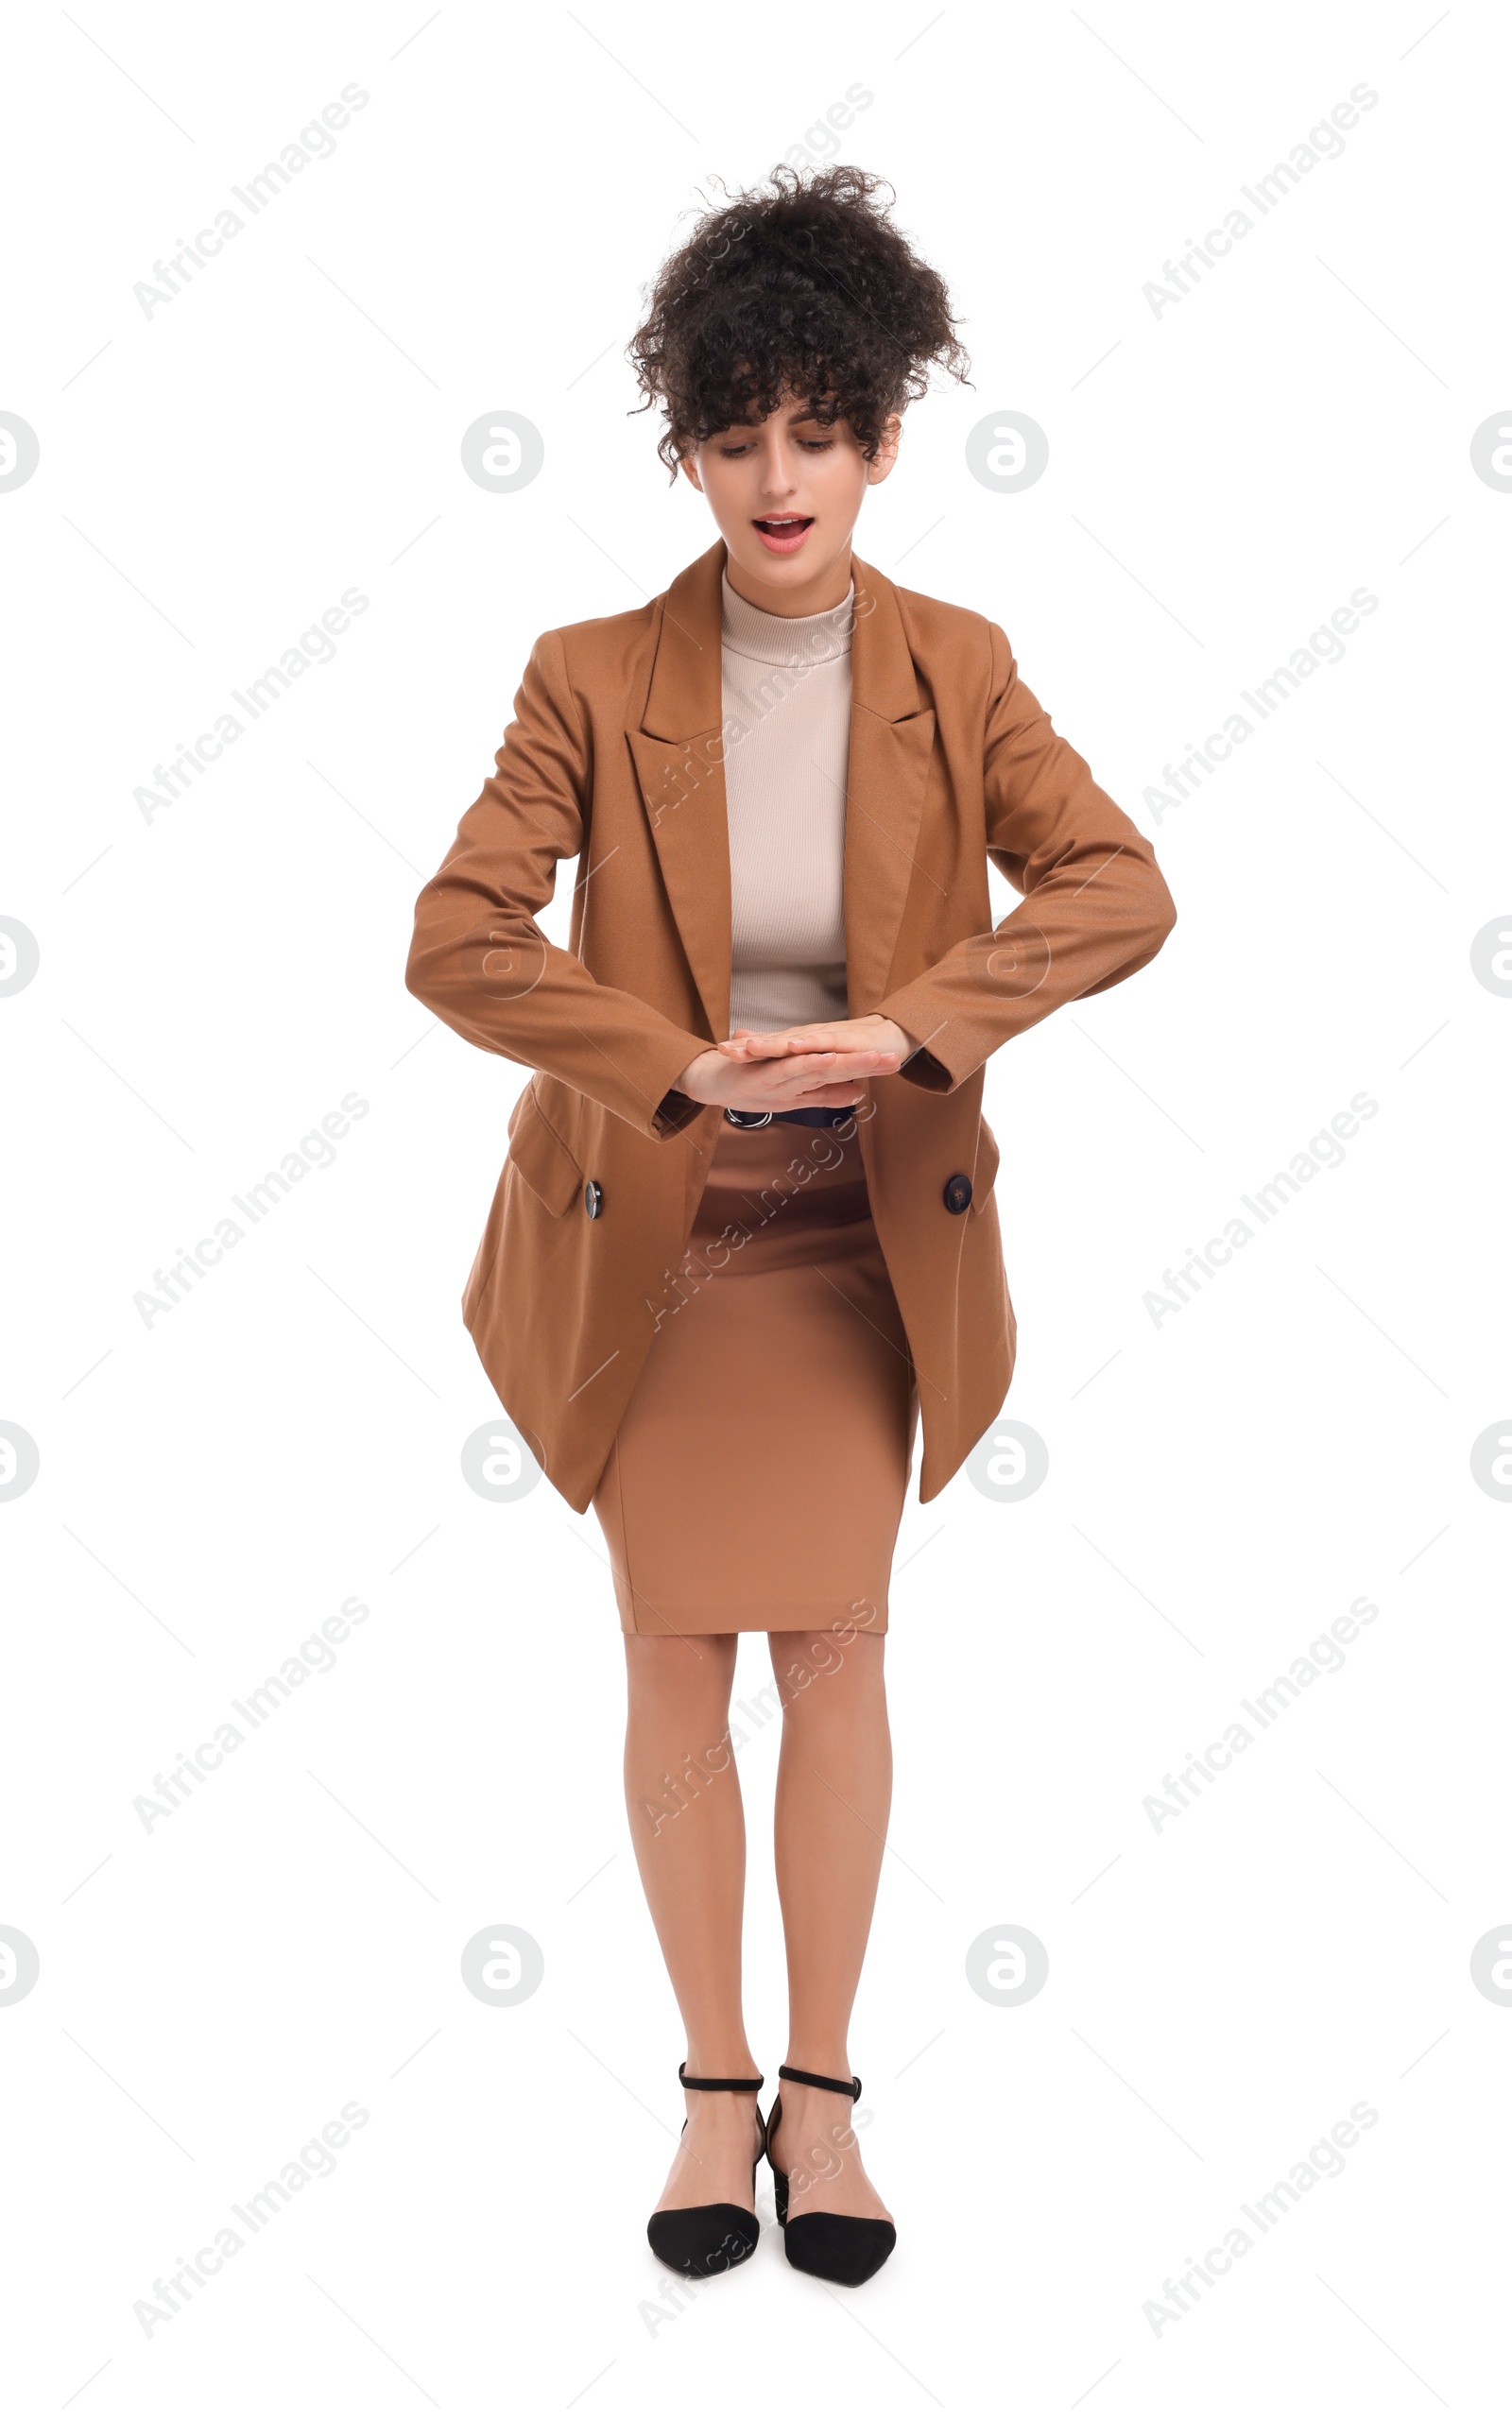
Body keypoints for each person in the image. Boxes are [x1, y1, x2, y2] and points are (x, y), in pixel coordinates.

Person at [404, 163, 1177, 2287]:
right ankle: (704, 2088)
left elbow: (1117, 887)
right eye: (730, 434)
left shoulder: (954, 665)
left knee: (832, 1652)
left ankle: (822, 2100)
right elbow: (453, 943)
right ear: (681, 443)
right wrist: (674, 1059)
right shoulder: (585, 672)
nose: (772, 478)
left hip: (857, 1232)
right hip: (651, 1231)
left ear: (880, 438)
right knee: (674, 1656)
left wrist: (914, 1028)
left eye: (813, 432)